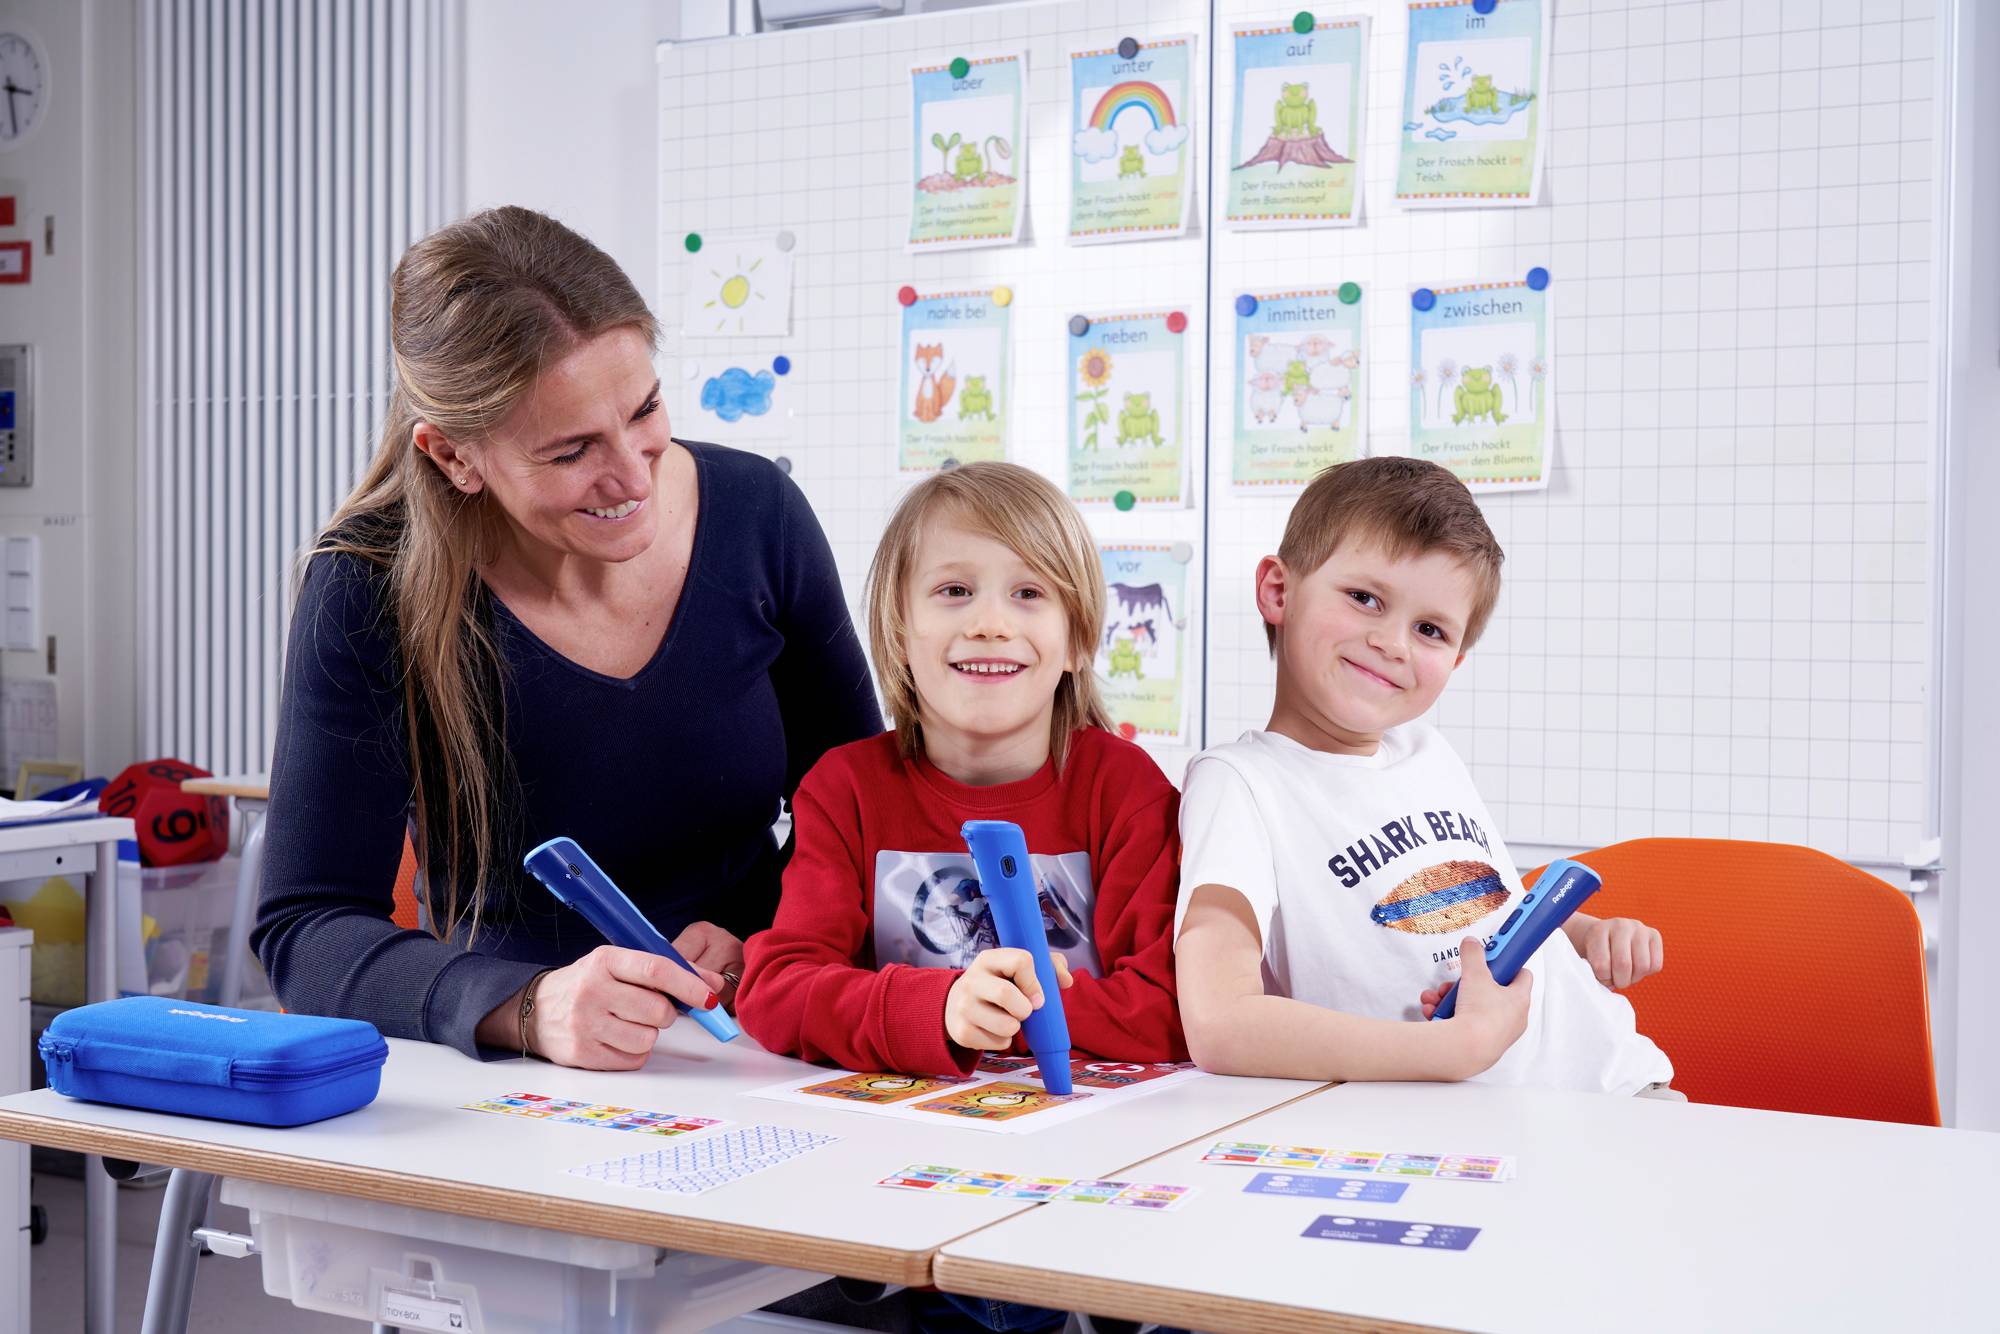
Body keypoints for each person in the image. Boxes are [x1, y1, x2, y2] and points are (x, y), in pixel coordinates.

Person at [253, 206, 880, 1067]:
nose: (631, 475)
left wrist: (760, 929)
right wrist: (526, 1006)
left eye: (645, 409)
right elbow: (306, 927)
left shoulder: (758, 514)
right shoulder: (370, 582)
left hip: (762, 1032)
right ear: (454, 458)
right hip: (515, 1079)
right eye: (572, 450)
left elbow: (863, 812)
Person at [1174, 457, 1675, 1095]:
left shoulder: (1428, 751)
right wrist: (1449, 1049)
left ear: (1456, 659)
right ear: (1278, 591)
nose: (1394, 643)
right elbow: (1219, 1022)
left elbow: (1481, 911)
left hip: (1622, 1084)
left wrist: (1582, 934)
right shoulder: (1239, 783)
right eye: (1364, 598)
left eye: (1430, 629)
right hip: (1470, 1134)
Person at [737, 461, 1186, 1076]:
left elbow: (1173, 1004)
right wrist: (943, 1007)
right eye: (954, 591)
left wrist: (1010, 1011)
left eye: (1029, 594)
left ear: (1078, 639)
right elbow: (777, 992)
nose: (989, 624)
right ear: (897, 633)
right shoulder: (845, 791)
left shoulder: (1126, 791)